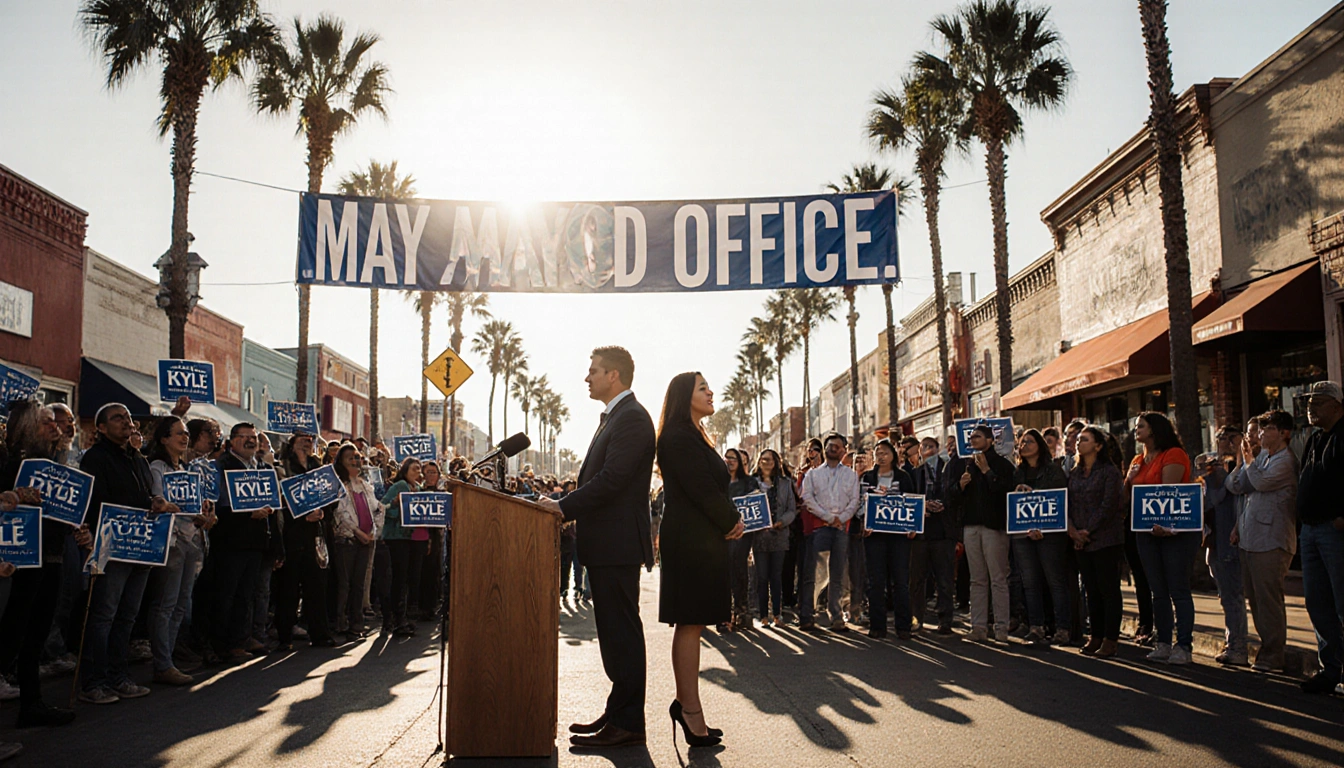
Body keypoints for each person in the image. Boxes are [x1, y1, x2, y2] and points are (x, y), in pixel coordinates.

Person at [538, 347, 656, 749]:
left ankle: (628, 723)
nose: (587, 378)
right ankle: (618, 711)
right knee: (613, 633)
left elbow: (612, 479)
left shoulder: (632, 418)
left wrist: (562, 507)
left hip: (617, 545)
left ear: (615, 376)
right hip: (607, 545)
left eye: (593, 371)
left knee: (621, 633)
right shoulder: (615, 417)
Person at [653, 372, 740, 748]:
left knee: (694, 623)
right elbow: (701, 488)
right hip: (690, 541)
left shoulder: (695, 435)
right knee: (690, 622)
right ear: (684, 396)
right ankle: (689, 710)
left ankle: (688, 706)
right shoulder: (676, 436)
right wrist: (730, 520)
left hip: (701, 539)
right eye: (703, 387)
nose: (710, 391)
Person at [78, 403, 178, 704]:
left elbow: (145, 494)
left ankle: (118, 677)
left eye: (128, 417)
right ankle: (93, 682)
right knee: (103, 615)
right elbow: (95, 502)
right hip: (112, 547)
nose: (126, 422)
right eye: (117, 418)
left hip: (142, 546)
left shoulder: (136, 458)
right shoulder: (95, 458)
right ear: (102, 428)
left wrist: (156, 501)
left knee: (127, 617)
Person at [0, 399, 79, 726]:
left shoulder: (53, 462)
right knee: (11, 634)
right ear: (27, 426)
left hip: (53, 553)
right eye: (47, 422)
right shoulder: (10, 462)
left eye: (56, 422)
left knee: (36, 633)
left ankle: (32, 704)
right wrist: (15, 496)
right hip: (19, 560)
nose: (56, 427)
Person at [1224, 410, 1299, 672]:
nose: (1261, 434)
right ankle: (1267, 650)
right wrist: (1240, 460)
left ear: (1283, 433)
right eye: (1261, 429)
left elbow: (1261, 482)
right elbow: (1236, 486)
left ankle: (1273, 655)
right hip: (1250, 537)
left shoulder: (1284, 460)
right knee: (1254, 598)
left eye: (1267, 429)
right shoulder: (1261, 457)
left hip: (1272, 539)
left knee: (1269, 600)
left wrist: (1248, 460)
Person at [145, 416, 216, 685]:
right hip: (171, 542)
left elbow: (195, 503)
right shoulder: (157, 467)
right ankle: (161, 663)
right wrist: (176, 507)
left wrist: (204, 513)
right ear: (164, 438)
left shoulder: (188, 469)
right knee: (165, 603)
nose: (185, 438)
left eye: (186, 433)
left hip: (192, 540)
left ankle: (168, 659)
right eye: (178, 434)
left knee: (179, 605)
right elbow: (159, 502)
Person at [208, 422, 283, 663]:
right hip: (230, 542)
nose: (251, 441)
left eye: (254, 437)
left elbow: (273, 508)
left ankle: (240, 640)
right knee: (225, 595)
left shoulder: (262, 467)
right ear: (232, 441)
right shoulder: (221, 466)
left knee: (246, 595)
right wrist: (247, 513)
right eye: (245, 437)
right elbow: (218, 504)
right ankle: (222, 645)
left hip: (256, 542)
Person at [1127, 411, 1197, 666]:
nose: (1136, 430)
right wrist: (1130, 479)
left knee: (1178, 588)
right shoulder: (1138, 459)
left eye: (1141, 426)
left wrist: (1164, 525)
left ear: (1155, 430)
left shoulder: (1173, 455)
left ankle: (1184, 645)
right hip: (1146, 533)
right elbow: (1128, 498)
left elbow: (1167, 493)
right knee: (1158, 591)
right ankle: (1163, 642)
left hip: (1174, 532)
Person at [1295, 381, 1344, 694]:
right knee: (1317, 602)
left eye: (1319, 402)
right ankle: (1331, 670)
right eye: (1309, 403)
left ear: (1337, 406)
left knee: (1342, 602)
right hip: (1310, 530)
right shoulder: (1314, 440)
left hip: (1333, 529)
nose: (1311, 408)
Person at [947, 424, 1015, 643]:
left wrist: (987, 471)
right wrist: (960, 485)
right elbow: (951, 496)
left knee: (998, 578)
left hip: (994, 527)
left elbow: (1006, 492)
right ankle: (978, 627)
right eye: (971, 437)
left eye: (977, 436)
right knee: (977, 579)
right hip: (970, 526)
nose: (973, 440)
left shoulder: (1002, 464)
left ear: (990, 440)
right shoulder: (963, 463)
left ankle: (1001, 627)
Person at [272, 431, 335, 651]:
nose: (307, 443)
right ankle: (284, 637)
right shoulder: (282, 468)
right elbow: (279, 500)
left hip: (314, 534)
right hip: (291, 534)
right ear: (292, 444)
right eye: (302, 439)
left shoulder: (317, 467)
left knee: (317, 586)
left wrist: (322, 512)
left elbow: (331, 496)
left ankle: (320, 634)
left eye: (310, 440)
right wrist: (299, 515)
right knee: (288, 588)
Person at [1009, 429, 1072, 647]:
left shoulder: (1053, 471)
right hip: (1023, 533)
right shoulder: (1017, 472)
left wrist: (1041, 526)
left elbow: (1059, 501)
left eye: (1029, 441)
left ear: (1040, 446)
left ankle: (1063, 628)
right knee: (1030, 582)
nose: (1024, 445)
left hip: (1050, 534)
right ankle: (1036, 626)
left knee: (1055, 581)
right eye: (1022, 442)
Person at [1068, 426, 1126, 657]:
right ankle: (1096, 635)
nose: (1079, 442)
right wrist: (1073, 531)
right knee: (1091, 589)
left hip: (1105, 539)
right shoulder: (1074, 472)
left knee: (1108, 590)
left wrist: (1086, 531)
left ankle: (1111, 638)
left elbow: (1108, 506)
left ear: (1098, 446)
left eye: (1085, 439)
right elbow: (1068, 502)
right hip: (1080, 540)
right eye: (1079, 439)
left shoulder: (1109, 472)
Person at [798, 433, 862, 633]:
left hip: (842, 529)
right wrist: (827, 517)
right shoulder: (812, 474)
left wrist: (840, 519)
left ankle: (836, 616)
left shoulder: (851, 475)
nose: (834, 448)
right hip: (819, 529)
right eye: (830, 445)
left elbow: (854, 501)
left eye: (838, 446)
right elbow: (807, 498)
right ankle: (807, 616)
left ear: (844, 450)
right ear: (824, 449)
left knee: (837, 574)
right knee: (812, 574)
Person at [860, 439, 916, 640]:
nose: (880, 455)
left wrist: (912, 526)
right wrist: (863, 524)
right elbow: (860, 504)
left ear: (893, 454)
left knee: (900, 581)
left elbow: (913, 503)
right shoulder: (867, 477)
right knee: (876, 582)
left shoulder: (904, 477)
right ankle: (877, 626)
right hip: (874, 537)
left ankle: (903, 626)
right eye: (877, 452)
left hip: (899, 537)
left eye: (884, 452)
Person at [1198, 450, 1247, 666]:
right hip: (1214, 544)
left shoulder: (1232, 478)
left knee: (1232, 597)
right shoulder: (1210, 480)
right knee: (1225, 597)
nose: (1212, 464)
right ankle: (1232, 643)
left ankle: (1238, 648)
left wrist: (1216, 474)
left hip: (1230, 543)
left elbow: (1216, 500)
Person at [330, 443, 381, 641]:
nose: (354, 460)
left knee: (359, 585)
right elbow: (341, 514)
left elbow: (376, 509)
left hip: (365, 541)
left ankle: (356, 624)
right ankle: (340, 623)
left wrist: (372, 533)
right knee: (344, 584)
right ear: (341, 462)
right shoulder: (338, 485)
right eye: (349, 457)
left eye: (357, 457)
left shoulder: (366, 486)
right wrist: (358, 532)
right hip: (347, 541)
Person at [906, 436, 956, 634]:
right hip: (921, 532)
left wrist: (944, 504)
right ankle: (916, 617)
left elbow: (956, 494)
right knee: (917, 579)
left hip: (944, 531)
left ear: (938, 448)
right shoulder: (915, 473)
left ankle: (945, 620)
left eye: (931, 446)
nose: (927, 450)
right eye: (924, 447)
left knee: (944, 579)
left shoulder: (949, 469)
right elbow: (908, 497)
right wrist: (923, 506)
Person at [379, 457, 427, 637]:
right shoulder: (399, 486)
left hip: (412, 538)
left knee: (408, 578)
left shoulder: (419, 489)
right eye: (414, 468)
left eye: (419, 469)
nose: (418, 472)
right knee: (398, 578)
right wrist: (395, 504)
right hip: (397, 537)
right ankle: (395, 618)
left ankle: (404, 617)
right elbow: (382, 507)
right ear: (405, 469)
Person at [750, 449, 796, 629]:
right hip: (759, 536)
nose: (766, 462)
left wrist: (781, 522)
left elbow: (792, 509)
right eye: (763, 459)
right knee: (761, 577)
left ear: (776, 462)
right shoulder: (752, 483)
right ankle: (763, 616)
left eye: (770, 460)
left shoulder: (785, 483)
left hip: (779, 534)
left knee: (776, 576)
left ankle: (777, 615)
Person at [723, 448, 760, 632]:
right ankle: (725, 614)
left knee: (740, 570)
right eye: (726, 458)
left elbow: (756, 503)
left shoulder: (749, 482)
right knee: (725, 572)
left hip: (743, 533)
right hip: (723, 533)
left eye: (733, 458)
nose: (729, 461)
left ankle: (742, 611)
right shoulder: (718, 482)